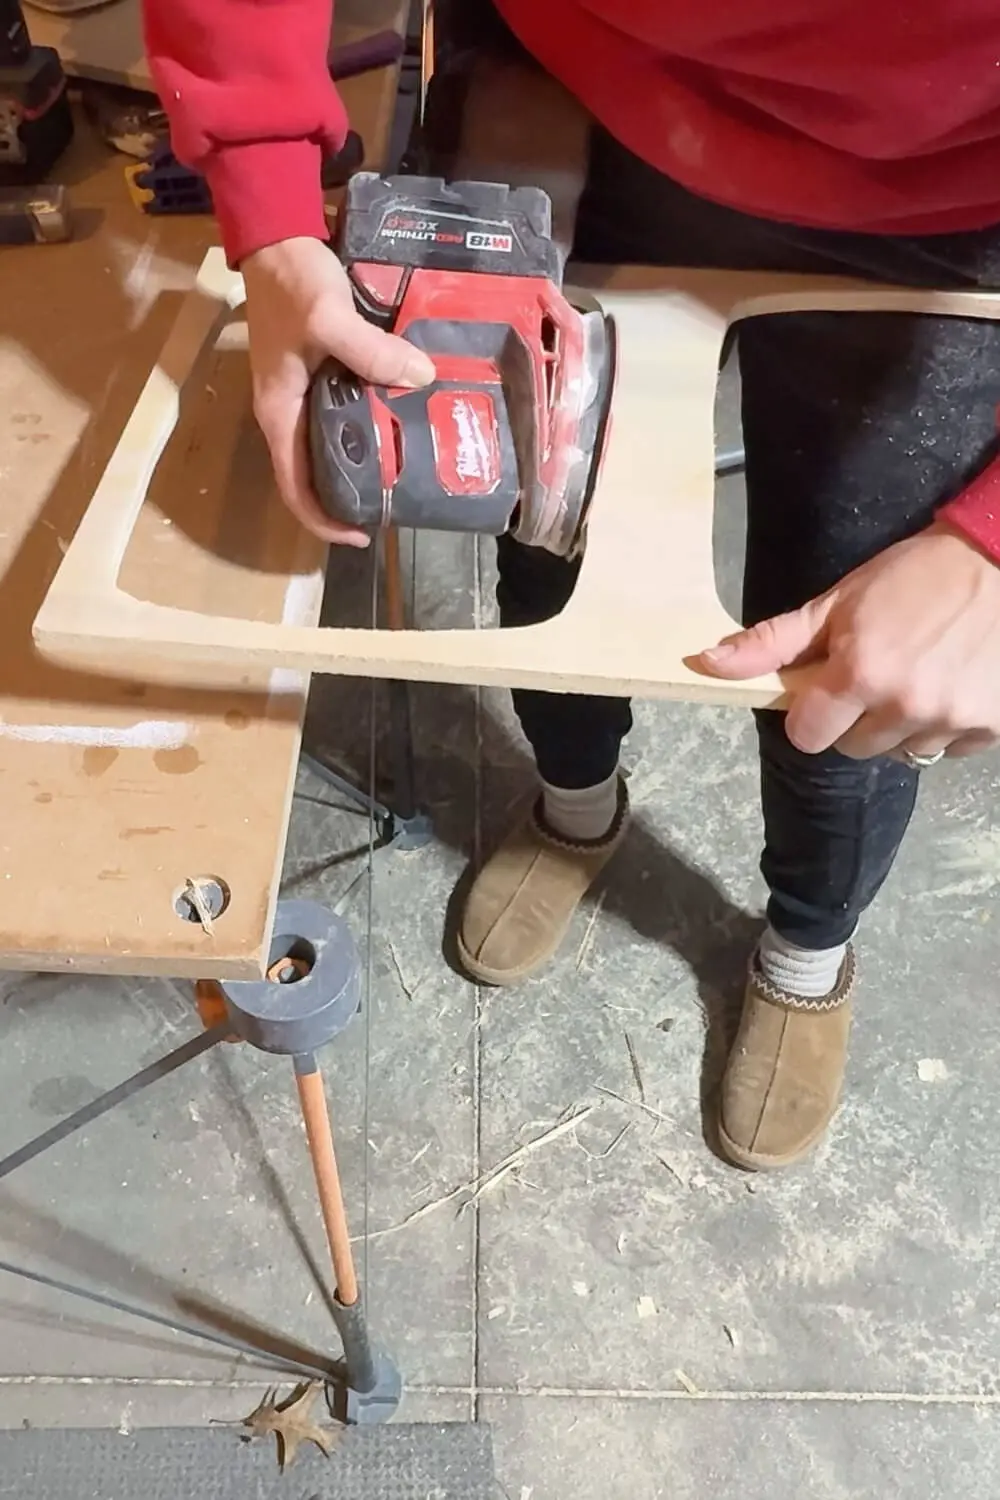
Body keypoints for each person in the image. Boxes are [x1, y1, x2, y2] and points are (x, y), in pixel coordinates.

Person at [142, 0, 1000, 1171]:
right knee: (542, 538)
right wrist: (267, 201)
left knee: (848, 667)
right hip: (580, 88)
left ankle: (807, 950)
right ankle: (576, 808)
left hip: (952, 180)